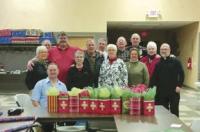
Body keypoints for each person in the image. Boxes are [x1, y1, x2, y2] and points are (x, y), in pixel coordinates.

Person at [150, 43, 184, 117]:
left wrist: (179, 85)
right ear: (159, 51)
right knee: (162, 112)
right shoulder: (158, 64)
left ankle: (175, 127)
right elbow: (154, 78)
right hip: (161, 92)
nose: (164, 51)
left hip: (173, 91)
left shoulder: (176, 62)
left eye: (165, 49)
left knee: (174, 112)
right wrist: (151, 89)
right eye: (162, 49)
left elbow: (181, 74)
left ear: (169, 50)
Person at [31, 63, 67, 131]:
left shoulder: (63, 86)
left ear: (58, 71)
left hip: (60, 115)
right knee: (48, 124)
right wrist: (42, 113)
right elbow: (34, 101)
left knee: (71, 122)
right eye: (50, 70)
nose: (52, 72)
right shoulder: (40, 84)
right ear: (47, 71)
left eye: (54, 70)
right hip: (45, 115)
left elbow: (66, 101)